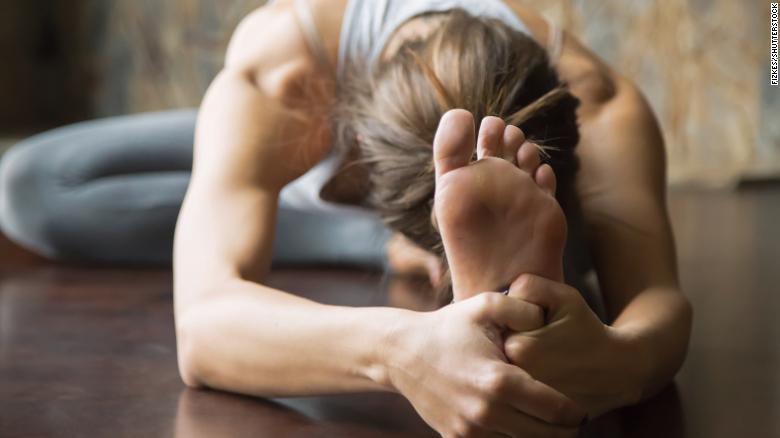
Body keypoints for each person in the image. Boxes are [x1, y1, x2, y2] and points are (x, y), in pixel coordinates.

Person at [0, 0, 692, 436]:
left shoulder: (600, 105)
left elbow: (658, 300)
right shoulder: (286, 65)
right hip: (305, 157)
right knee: (31, 185)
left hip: (493, 175)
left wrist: (621, 360)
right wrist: (399, 350)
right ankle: (418, 257)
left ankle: (509, 264)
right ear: (356, 158)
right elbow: (203, 328)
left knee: (581, 249)